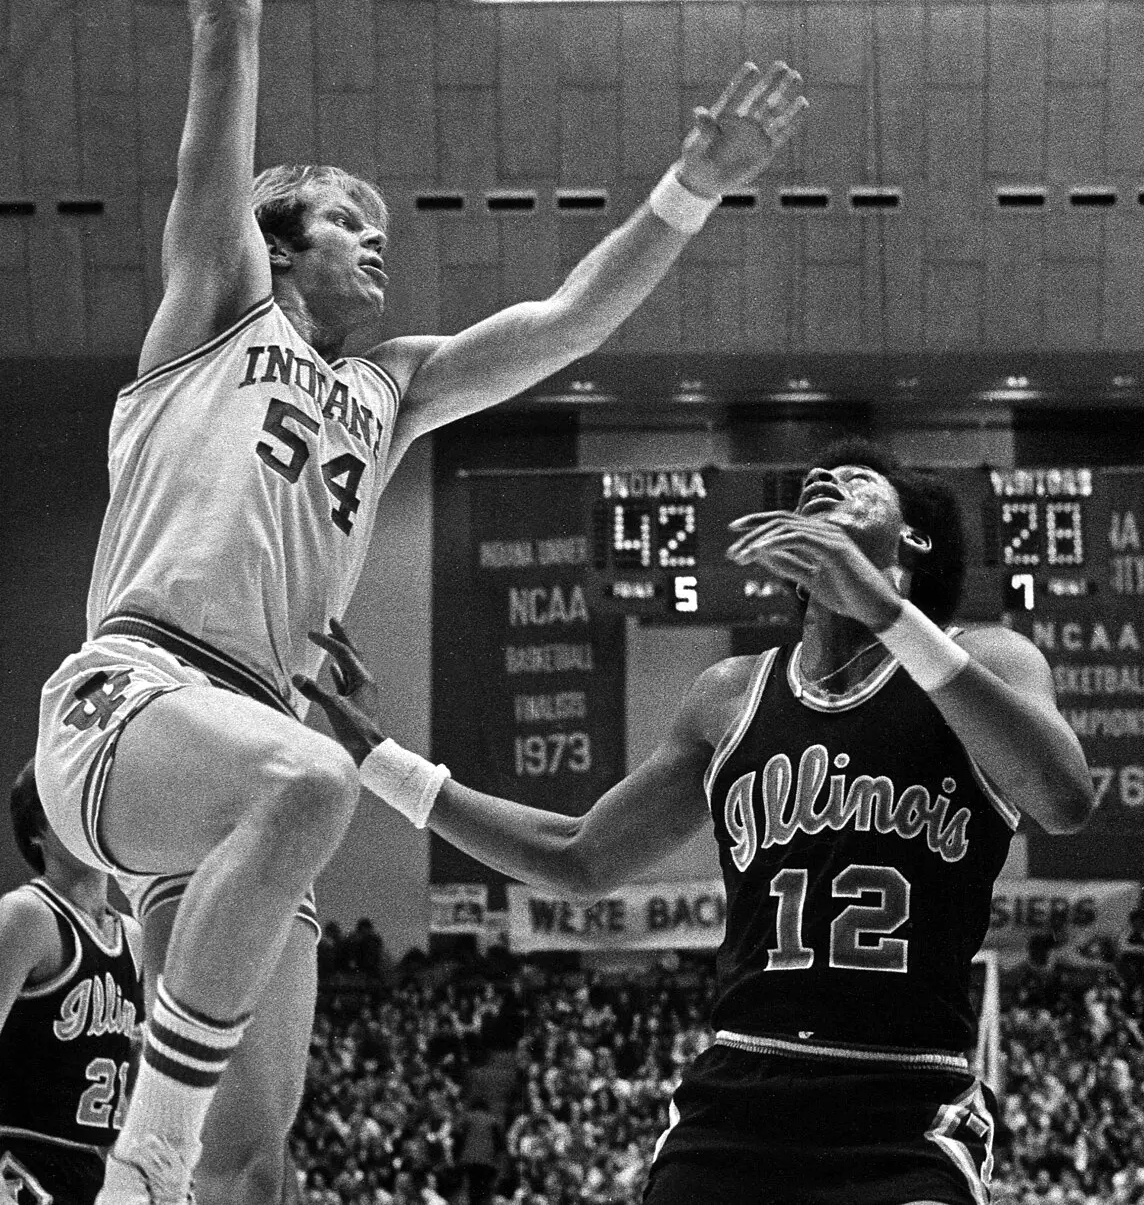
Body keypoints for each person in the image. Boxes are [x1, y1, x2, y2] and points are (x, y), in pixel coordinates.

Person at [30, 0, 808, 1205]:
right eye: (346, 219)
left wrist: (694, 185)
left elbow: (575, 317)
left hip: (255, 759)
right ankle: (139, 1159)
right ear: (275, 238)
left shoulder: (395, 384)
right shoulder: (216, 312)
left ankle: (181, 1158)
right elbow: (228, 29)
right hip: (135, 706)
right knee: (307, 796)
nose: (376, 243)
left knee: (263, 1167)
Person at [304, 441, 1095, 1205]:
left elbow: (1064, 798)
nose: (824, 482)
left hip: (908, 1097)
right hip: (742, 1092)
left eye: (855, 481)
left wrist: (886, 611)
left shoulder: (989, 658)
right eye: (813, 484)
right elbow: (577, 856)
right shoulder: (729, 696)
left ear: (913, 537)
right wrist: (384, 762)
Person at [0, 761, 143, 1205]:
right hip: (24, 1163)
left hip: (99, 1170)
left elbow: (124, 1076)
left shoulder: (133, 935)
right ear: (38, 831)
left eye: (94, 801)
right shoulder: (28, 915)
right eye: (70, 803)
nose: (90, 815)